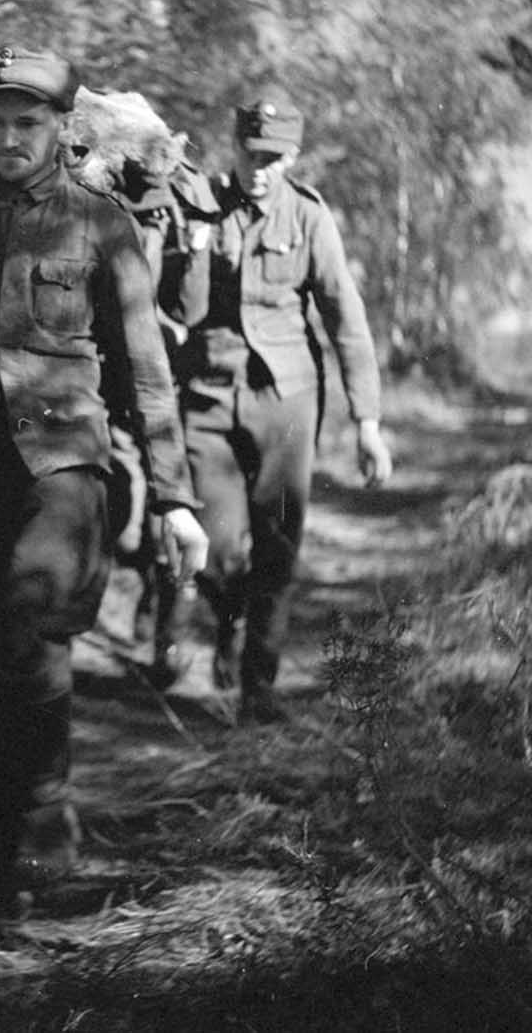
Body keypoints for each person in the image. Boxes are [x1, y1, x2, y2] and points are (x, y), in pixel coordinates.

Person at [0, 43, 209, 915]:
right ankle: (11, 832)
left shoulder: (103, 224)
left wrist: (175, 498)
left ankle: (38, 834)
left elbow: (146, 373)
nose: (9, 138)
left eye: (28, 122)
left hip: (59, 459)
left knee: (27, 634)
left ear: (64, 128)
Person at [164, 85, 393, 723]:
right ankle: (226, 619)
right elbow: (160, 299)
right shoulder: (197, 205)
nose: (261, 171)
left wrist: (367, 423)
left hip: (287, 405)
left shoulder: (310, 218)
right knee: (214, 545)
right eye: (252, 155)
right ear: (233, 148)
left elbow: (347, 319)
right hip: (207, 396)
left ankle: (258, 690)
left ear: (292, 159)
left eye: (275, 159)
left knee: (278, 548)